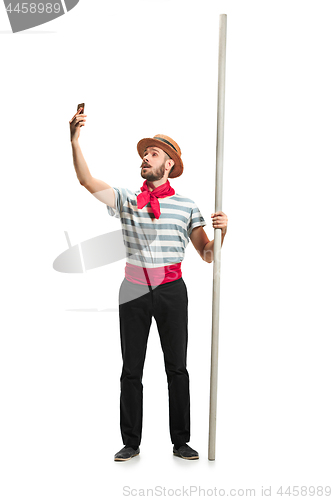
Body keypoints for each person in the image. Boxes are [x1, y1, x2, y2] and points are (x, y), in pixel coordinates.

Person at [69, 107, 228, 461]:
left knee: (177, 369)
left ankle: (181, 441)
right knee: (131, 369)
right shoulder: (128, 198)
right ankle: (131, 442)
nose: (145, 157)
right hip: (134, 289)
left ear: (168, 163)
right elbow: (87, 181)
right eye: (145, 153)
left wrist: (223, 233)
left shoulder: (187, 206)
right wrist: (75, 142)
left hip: (172, 291)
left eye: (153, 153)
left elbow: (206, 254)